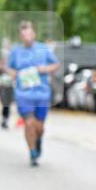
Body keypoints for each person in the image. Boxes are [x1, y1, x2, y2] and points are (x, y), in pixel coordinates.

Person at [7, 21, 60, 166]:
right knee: (29, 123)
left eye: (29, 34)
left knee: (39, 127)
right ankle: (32, 151)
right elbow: (9, 68)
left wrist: (45, 69)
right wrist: (15, 74)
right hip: (23, 94)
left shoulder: (43, 49)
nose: (27, 37)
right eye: (24, 35)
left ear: (34, 34)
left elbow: (56, 64)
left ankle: (38, 140)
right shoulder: (15, 52)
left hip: (42, 94)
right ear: (20, 36)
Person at [0, 56, 14, 129]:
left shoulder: (11, 69)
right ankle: (4, 119)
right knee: (4, 105)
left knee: (7, 105)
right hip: (2, 89)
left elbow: (13, 77)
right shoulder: (0, 71)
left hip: (9, 89)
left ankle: (5, 120)